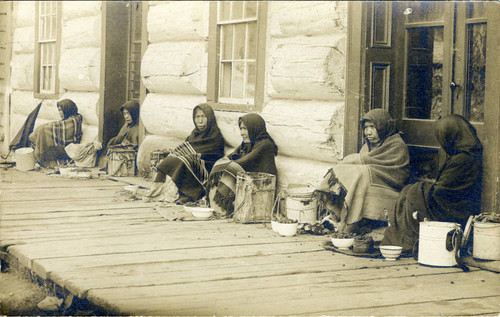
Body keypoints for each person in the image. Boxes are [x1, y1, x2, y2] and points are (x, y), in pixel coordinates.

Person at [381, 114, 482, 252]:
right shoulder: (464, 155)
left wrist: (420, 188)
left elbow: (442, 191)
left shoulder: (463, 159)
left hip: (456, 210)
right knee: (409, 191)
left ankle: (405, 241)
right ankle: (402, 240)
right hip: (454, 205)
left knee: (412, 192)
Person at [318, 109, 410, 233]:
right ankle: (339, 215)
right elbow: (366, 162)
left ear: (383, 126)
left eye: (373, 127)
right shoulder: (368, 146)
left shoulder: (396, 145)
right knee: (345, 170)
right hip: (372, 184)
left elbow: (395, 174)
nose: (368, 132)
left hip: (390, 188)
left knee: (362, 175)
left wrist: (355, 161)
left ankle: (351, 222)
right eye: (366, 127)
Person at [143, 103, 225, 204]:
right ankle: (160, 192)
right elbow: (186, 147)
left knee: (182, 162)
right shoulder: (194, 134)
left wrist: (190, 157)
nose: (200, 120)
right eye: (197, 117)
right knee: (169, 160)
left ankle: (175, 194)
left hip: (206, 167)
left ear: (209, 117)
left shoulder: (215, 135)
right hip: (192, 161)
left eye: (203, 116)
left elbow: (213, 155)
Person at [208, 113, 278, 216]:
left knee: (230, 168)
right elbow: (231, 157)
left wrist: (227, 165)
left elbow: (244, 162)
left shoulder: (265, 144)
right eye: (241, 129)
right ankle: (217, 207)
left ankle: (223, 208)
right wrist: (221, 163)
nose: (242, 133)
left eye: (245, 129)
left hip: (259, 185)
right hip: (248, 180)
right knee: (221, 165)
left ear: (255, 128)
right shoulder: (245, 145)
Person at [30, 99, 83, 167]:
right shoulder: (70, 119)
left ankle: (43, 159)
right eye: (59, 110)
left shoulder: (74, 120)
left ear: (67, 109)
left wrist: (41, 129)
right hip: (64, 146)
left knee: (42, 130)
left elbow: (58, 127)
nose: (60, 113)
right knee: (42, 131)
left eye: (61, 110)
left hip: (69, 148)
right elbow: (58, 125)